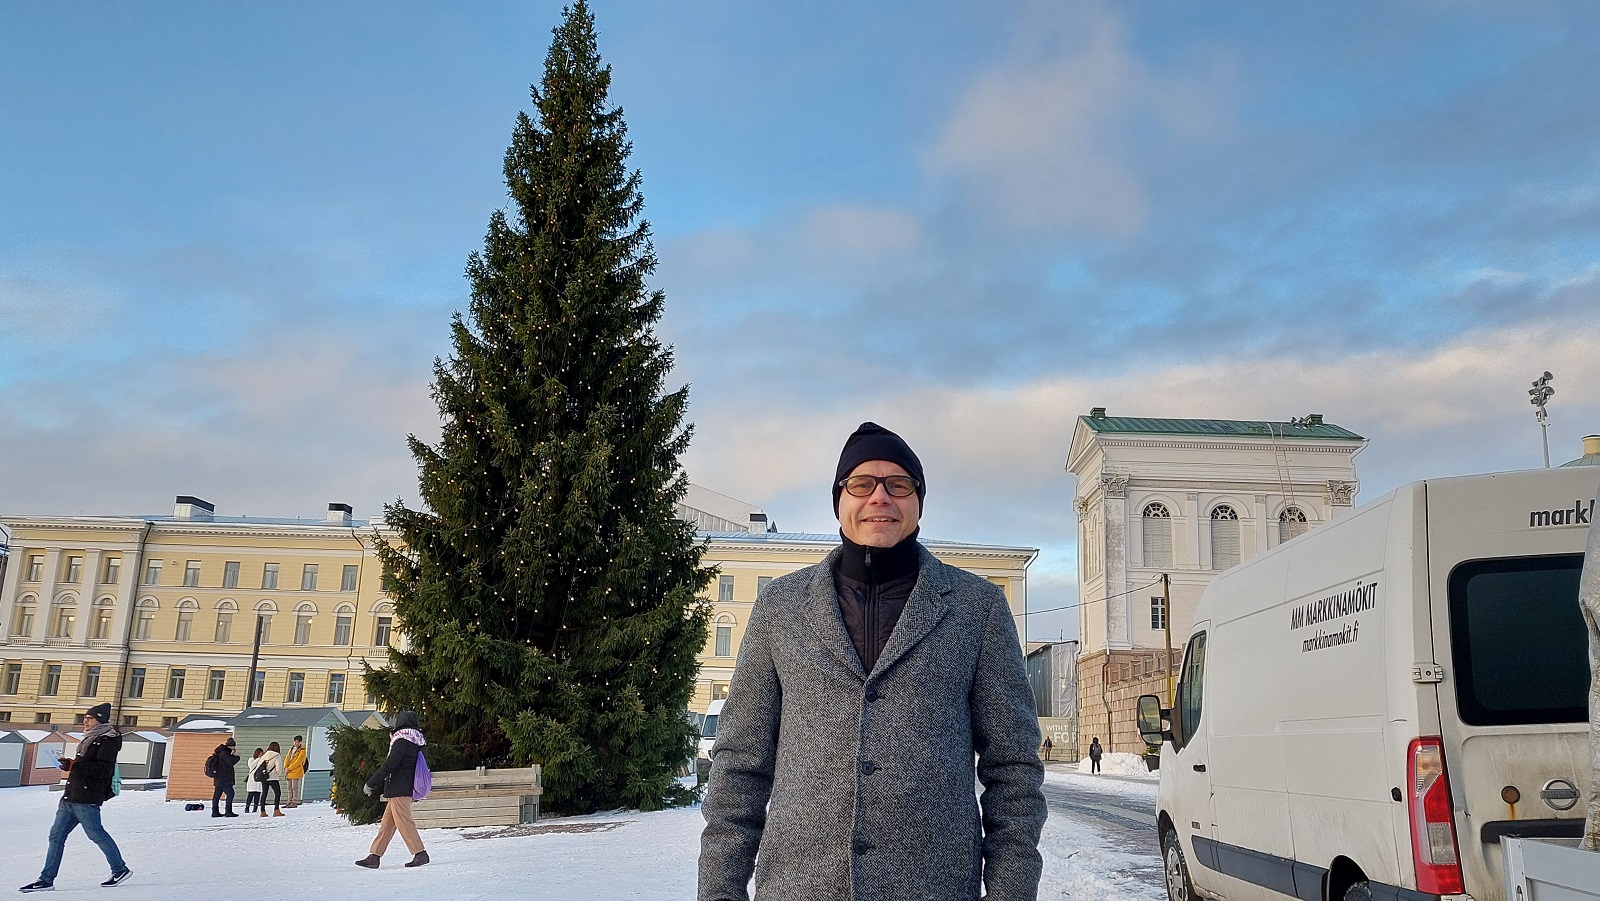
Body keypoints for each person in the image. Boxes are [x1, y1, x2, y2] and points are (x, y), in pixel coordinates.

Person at [699, 422, 1047, 901]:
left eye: (898, 484)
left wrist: (1011, 892)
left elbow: (1013, 768)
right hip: (799, 888)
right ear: (839, 500)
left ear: (918, 500)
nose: (880, 497)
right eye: (862, 484)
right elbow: (740, 764)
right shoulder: (780, 607)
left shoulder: (977, 608)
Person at [19, 703, 132, 892]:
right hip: (71, 796)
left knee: (96, 835)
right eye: (85, 718)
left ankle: (120, 869)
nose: (85, 721)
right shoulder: (89, 738)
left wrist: (74, 765)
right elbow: (81, 765)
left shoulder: (108, 740)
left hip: (86, 798)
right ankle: (46, 880)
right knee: (56, 837)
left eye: (90, 718)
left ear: (100, 720)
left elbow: (103, 770)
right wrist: (68, 764)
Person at [355, 710, 429, 869]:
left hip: (399, 788)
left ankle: (420, 853)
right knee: (387, 824)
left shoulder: (402, 741)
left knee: (404, 822)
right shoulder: (418, 740)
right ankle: (374, 856)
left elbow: (390, 765)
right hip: (407, 787)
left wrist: (371, 783)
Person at [207, 737, 240, 818]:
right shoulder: (225, 753)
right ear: (231, 746)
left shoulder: (220, 752)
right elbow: (231, 761)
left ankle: (215, 812)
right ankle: (228, 811)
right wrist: (237, 756)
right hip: (224, 778)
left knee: (217, 795)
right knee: (230, 793)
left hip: (218, 777)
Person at [258, 742, 285, 817]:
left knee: (264, 793)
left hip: (264, 777)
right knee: (277, 793)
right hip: (273, 777)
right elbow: (278, 767)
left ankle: (262, 811)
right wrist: (278, 774)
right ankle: (276, 810)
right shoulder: (277, 755)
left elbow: (259, 766)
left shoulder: (264, 755)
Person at [284, 735, 308, 808]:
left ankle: (294, 802)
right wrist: (285, 767)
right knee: (289, 788)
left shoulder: (302, 751)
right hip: (289, 772)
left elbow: (299, 761)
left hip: (296, 771)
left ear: (300, 742)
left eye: (298, 742)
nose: (296, 743)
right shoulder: (291, 749)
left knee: (294, 787)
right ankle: (289, 801)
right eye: (295, 742)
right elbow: (287, 758)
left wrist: (289, 768)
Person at [244, 748, 265, 814]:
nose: (261, 755)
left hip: (259, 779)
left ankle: (255, 808)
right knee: (250, 794)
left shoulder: (263, 760)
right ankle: (247, 807)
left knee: (257, 794)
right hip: (252, 779)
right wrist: (258, 759)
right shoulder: (251, 759)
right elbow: (251, 766)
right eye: (260, 753)